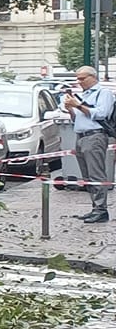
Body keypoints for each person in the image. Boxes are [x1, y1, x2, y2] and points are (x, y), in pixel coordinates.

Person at [62, 65, 115, 222]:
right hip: (81, 136)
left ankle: (101, 210)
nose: (79, 82)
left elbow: (101, 113)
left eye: (82, 78)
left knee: (96, 174)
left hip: (95, 136)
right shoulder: (83, 94)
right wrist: (71, 109)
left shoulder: (102, 93)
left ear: (93, 77)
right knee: (87, 175)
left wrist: (78, 105)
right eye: (77, 78)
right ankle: (95, 208)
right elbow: (77, 118)